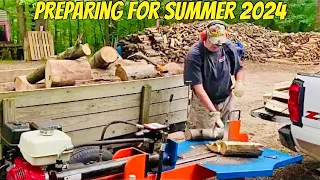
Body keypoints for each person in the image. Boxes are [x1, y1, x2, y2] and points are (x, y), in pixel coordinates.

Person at [184, 20, 245, 130]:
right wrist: (213, 112)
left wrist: (239, 82)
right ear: (205, 36)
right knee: (202, 138)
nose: (216, 46)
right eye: (213, 42)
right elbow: (199, 89)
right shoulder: (195, 55)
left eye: (219, 43)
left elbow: (239, 68)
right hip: (203, 104)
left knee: (228, 135)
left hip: (226, 99)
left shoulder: (228, 47)